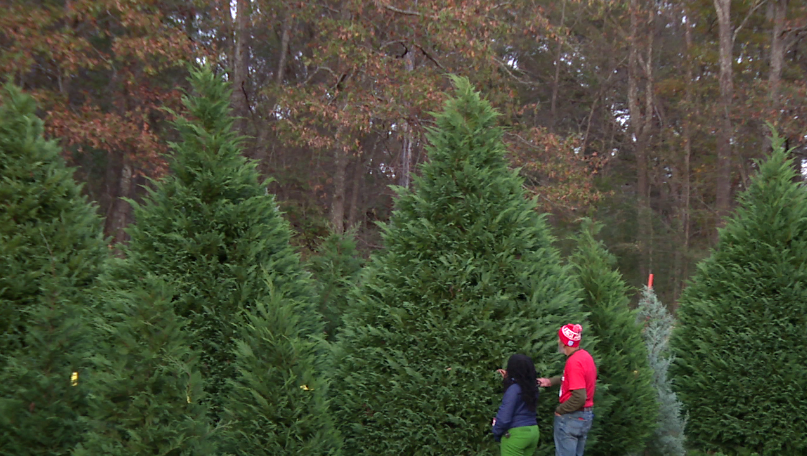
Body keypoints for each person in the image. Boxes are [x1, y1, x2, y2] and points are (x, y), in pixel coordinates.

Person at [537, 324, 597, 456]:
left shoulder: (574, 362)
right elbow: (575, 379)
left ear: (565, 342)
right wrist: (550, 381)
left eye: (560, 338)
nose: (558, 341)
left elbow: (579, 397)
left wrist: (560, 411)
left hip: (571, 417)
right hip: (585, 416)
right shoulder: (585, 356)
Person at [492, 354, 541, 456]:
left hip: (516, 434)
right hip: (533, 431)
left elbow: (504, 417)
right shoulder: (533, 388)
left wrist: (496, 431)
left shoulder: (513, 389)